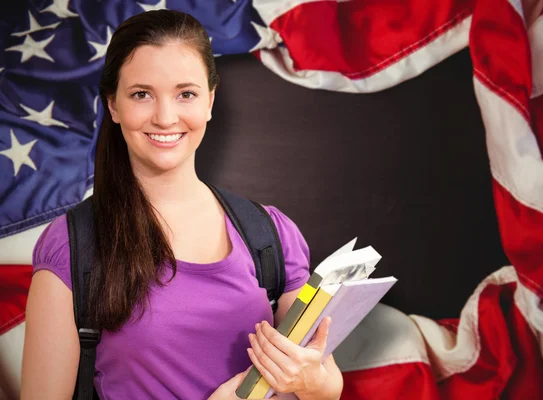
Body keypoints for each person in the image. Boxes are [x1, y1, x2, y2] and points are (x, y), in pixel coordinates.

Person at [20, 9, 343, 400]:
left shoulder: (270, 234)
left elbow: (326, 379)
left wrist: (313, 382)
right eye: (142, 94)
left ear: (209, 100)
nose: (165, 117)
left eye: (185, 93)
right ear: (113, 105)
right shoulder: (72, 247)